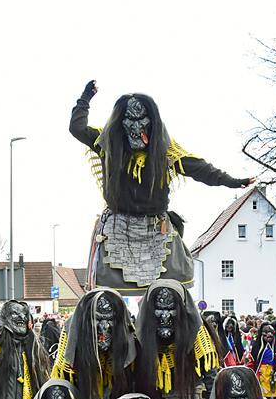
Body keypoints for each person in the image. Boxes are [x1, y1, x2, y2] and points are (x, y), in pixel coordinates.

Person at [69, 80, 254, 292]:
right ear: (121, 122)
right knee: (105, 294)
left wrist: (232, 181)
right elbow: (77, 128)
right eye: (130, 120)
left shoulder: (166, 152)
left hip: (156, 229)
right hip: (116, 228)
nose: (137, 128)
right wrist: (85, 99)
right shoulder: (106, 143)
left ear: (152, 122)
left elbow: (199, 169)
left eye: (142, 121)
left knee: (179, 285)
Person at [50, 289, 137, 399]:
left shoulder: (130, 342)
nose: (104, 327)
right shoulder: (72, 340)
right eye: (97, 320)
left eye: (110, 320)